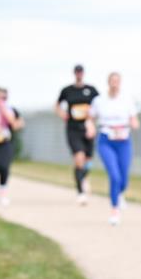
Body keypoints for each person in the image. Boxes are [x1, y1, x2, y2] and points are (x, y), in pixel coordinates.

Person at [85, 72, 138, 225]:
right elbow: (90, 118)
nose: (115, 84)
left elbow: (134, 119)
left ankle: (120, 193)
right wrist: (90, 128)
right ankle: (114, 210)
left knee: (124, 177)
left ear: (120, 83)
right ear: (108, 82)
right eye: (112, 81)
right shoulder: (99, 101)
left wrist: (134, 123)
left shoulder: (127, 100)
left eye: (117, 81)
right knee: (114, 175)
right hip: (106, 139)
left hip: (123, 140)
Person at [57, 65, 100, 205]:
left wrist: (92, 122)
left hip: (88, 128)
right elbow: (57, 105)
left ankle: (83, 177)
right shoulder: (67, 90)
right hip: (73, 129)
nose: (79, 74)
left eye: (81, 71)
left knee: (87, 160)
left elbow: (99, 107)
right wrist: (62, 114)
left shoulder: (91, 90)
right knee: (79, 157)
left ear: (83, 73)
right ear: (74, 73)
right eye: (77, 72)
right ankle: (80, 191)